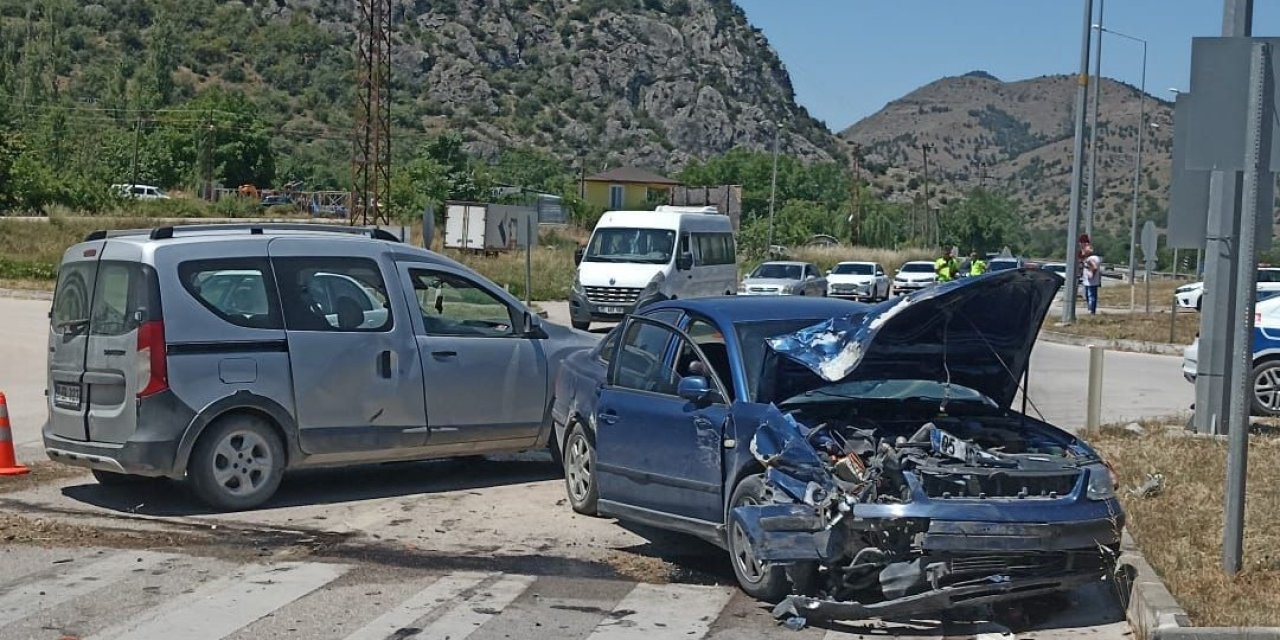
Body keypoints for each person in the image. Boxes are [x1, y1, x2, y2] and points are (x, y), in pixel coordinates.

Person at [1081, 245, 1102, 314]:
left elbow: (1094, 267)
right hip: (1091, 281)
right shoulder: (1096, 258)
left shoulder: (1090, 259)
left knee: (1090, 296)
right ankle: (1091, 310)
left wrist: (1091, 274)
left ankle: (1091, 311)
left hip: (1090, 281)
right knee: (1090, 296)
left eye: (1085, 250)